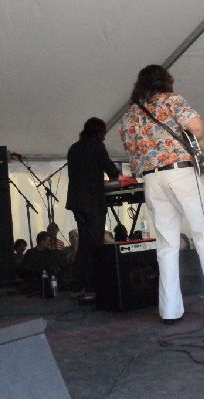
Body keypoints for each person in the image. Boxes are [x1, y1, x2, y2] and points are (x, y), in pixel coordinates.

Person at [119, 64, 204, 324]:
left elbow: (131, 149)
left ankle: (170, 311)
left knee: (166, 246)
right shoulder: (171, 100)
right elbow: (195, 126)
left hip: (152, 179)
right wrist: (200, 138)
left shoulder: (129, 115)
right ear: (166, 81)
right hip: (180, 173)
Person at [66, 117, 120, 301]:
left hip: (76, 202)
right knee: (96, 244)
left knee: (84, 245)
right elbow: (111, 170)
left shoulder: (74, 148)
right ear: (100, 133)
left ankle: (76, 286)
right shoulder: (97, 146)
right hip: (92, 202)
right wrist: (114, 176)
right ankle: (92, 286)